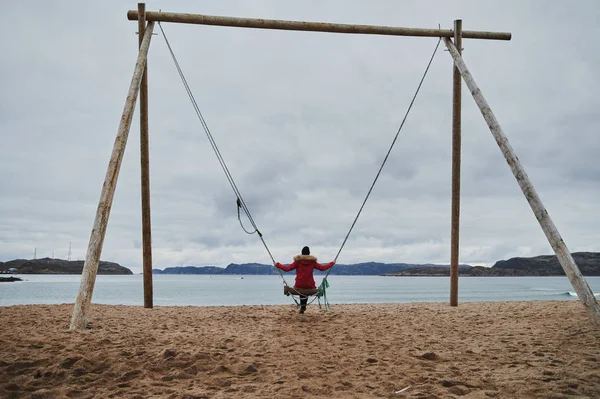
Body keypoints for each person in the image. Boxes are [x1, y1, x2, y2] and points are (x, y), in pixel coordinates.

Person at [274, 246, 335, 314]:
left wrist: (277, 264)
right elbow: (323, 268)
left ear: (301, 253)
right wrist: (332, 263)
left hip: (299, 284)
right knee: (306, 289)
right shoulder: (312, 262)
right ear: (309, 253)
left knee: (301, 289)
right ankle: (303, 306)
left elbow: (287, 269)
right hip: (310, 285)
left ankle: (303, 306)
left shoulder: (297, 262)